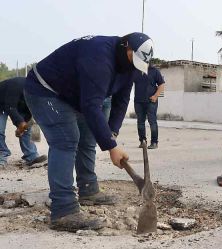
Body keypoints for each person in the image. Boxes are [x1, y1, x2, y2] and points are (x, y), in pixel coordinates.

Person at [24, 33, 154, 231]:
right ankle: (63, 210)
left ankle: (88, 190)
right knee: (66, 139)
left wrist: (113, 134)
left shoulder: (131, 66)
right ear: (125, 47)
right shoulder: (99, 56)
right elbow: (91, 105)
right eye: (133, 59)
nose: (133, 66)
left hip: (73, 95)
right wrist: (111, 147)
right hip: (45, 89)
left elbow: (122, 100)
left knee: (88, 137)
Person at [0, 77, 47, 168]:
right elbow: (10, 107)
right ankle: (2, 155)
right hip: (2, 102)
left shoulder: (37, 93)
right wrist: (20, 123)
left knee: (29, 126)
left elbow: (31, 114)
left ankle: (31, 156)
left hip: (17, 103)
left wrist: (23, 126)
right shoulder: (17, 84)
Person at [133, 65, 165, 149]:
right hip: (138, 101)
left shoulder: (154, 71)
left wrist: (155, 96)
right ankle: (142, 141)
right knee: (140, 122)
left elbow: (161, 85)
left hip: (151, 101)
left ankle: (154, 142)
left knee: (152, 122)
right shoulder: (135, 70)